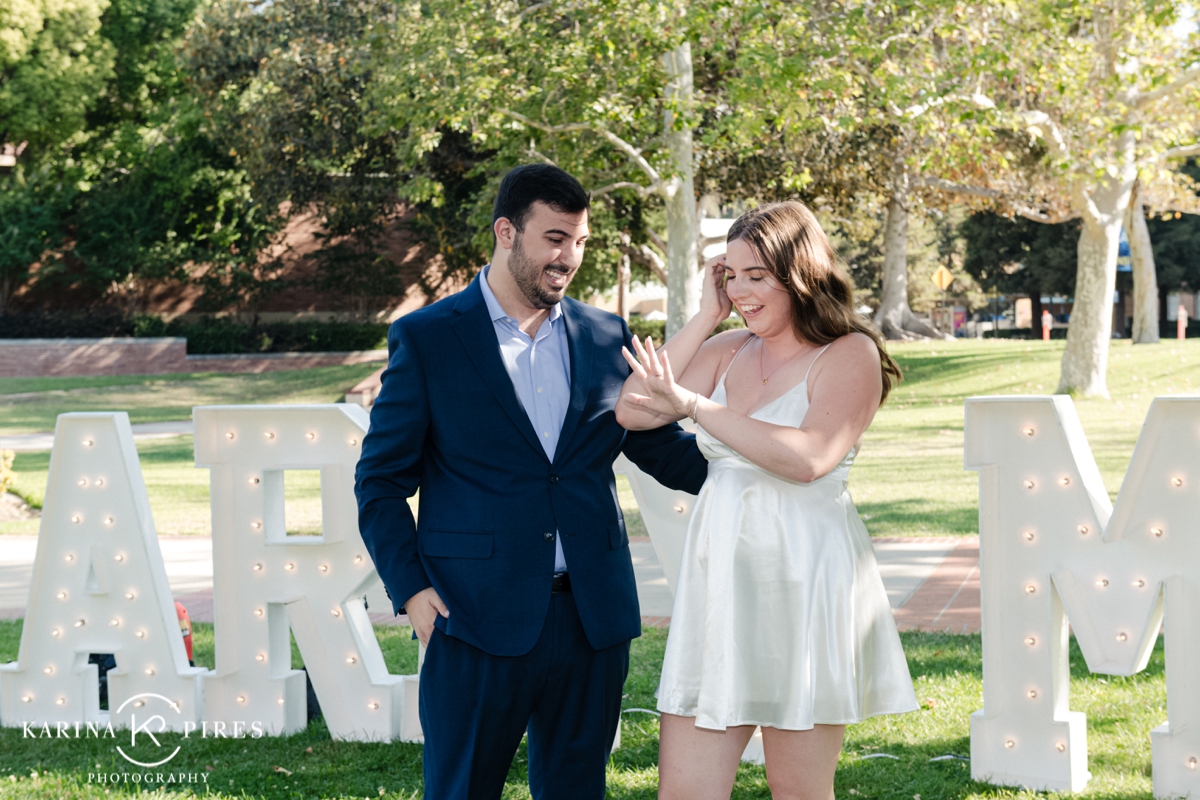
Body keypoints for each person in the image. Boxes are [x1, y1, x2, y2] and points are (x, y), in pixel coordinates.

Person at [353, 163, 709, 800]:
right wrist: (410, 590)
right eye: (554, 238)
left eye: (579, 242)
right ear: (506, 233)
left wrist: (765, 464)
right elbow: (379, 483)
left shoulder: (607, 337)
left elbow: (663, 452)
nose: (568, 258)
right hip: (471, 617)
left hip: (591, 618)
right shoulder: (428, 339)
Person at [615, 201, 918, 800]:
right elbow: (634, 409)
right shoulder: (727, 347)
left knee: (798, 791)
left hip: (804, 586)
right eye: (731, 274)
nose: (742, 290)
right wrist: (706, 316)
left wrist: (697, 407)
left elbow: (808, 458)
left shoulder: (848, 352)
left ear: (800, 274)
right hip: (720, 589)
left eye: (758, 275)